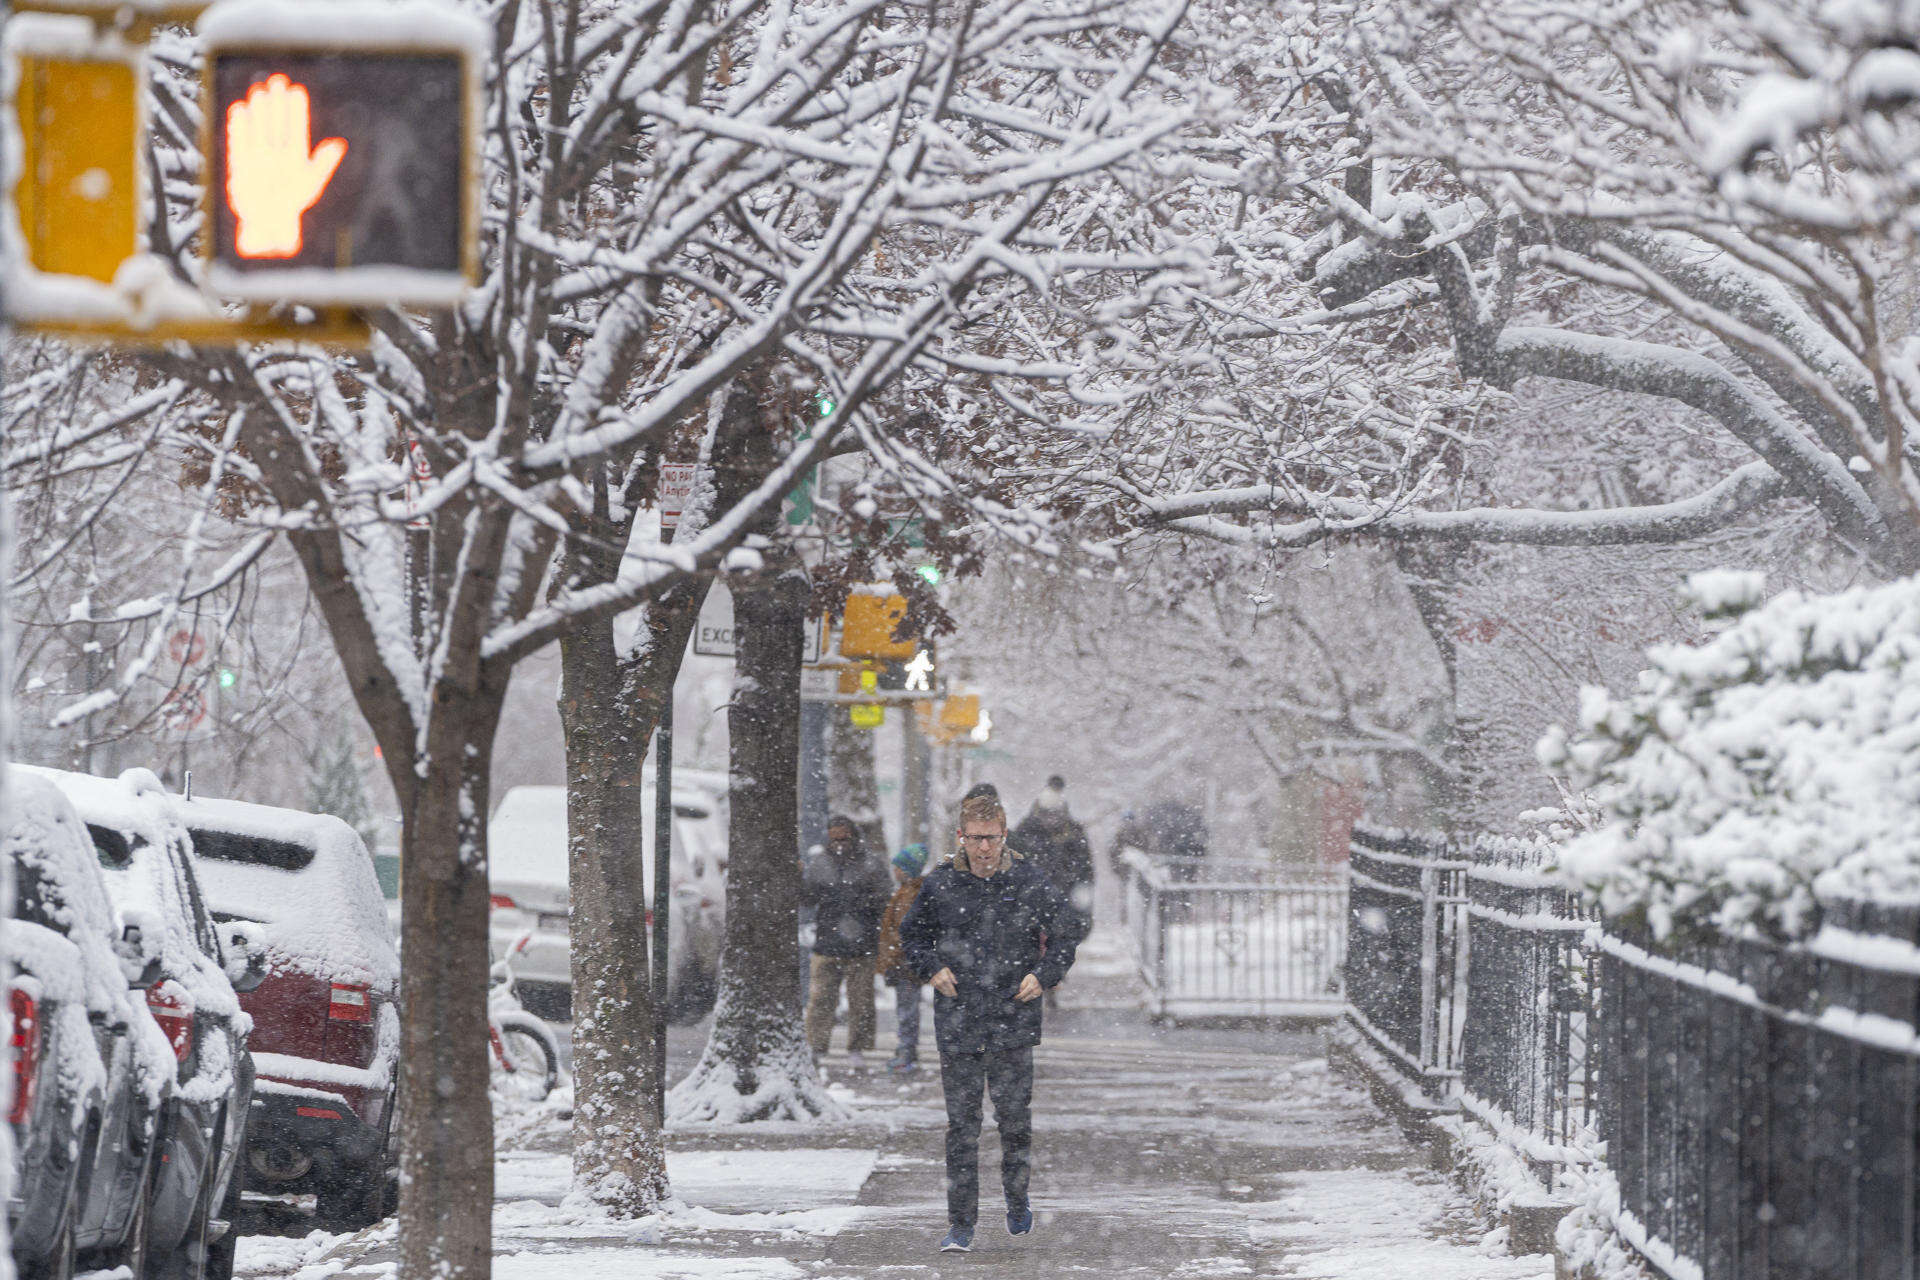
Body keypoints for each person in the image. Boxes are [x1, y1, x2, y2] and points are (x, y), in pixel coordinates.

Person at [899, 792, 1087, 1253]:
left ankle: (1017, 1199)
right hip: (959, 1018)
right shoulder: (941, 884)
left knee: (1013, 1121)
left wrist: (1043, 975)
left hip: (1012, 1017)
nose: (985, 848)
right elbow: (912, 934)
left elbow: (1066, 930)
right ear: (961, 838)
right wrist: (931, 968)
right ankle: (961, 1223)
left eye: (992, 838)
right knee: (962, 1127)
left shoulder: (1027, 880)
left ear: (1004, 836)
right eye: (976, 839)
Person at [801, 815, 892, 1068]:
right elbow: (807, 898)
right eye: (834, 839)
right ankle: (816, 1046)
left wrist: (859, 904)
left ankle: (857, 1048)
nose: (839, 844)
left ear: (854, 837)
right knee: (820, 998)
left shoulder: (871, 863)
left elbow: (884, 898)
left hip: (861, 944)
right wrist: (800, 879)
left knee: (860, 1000)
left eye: (844, 838)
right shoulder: (820, 863)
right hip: (827, 941)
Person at [875, 842, 930, 1073]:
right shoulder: (907, 892)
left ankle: (907, 1052)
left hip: (905, 962)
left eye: (898, 867)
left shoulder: (909, 895)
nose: (894, 871)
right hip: (907, 961)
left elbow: (901, 932)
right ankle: (907, 1050)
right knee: (907, 1008)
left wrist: (892, 956)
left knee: (906, 1010)